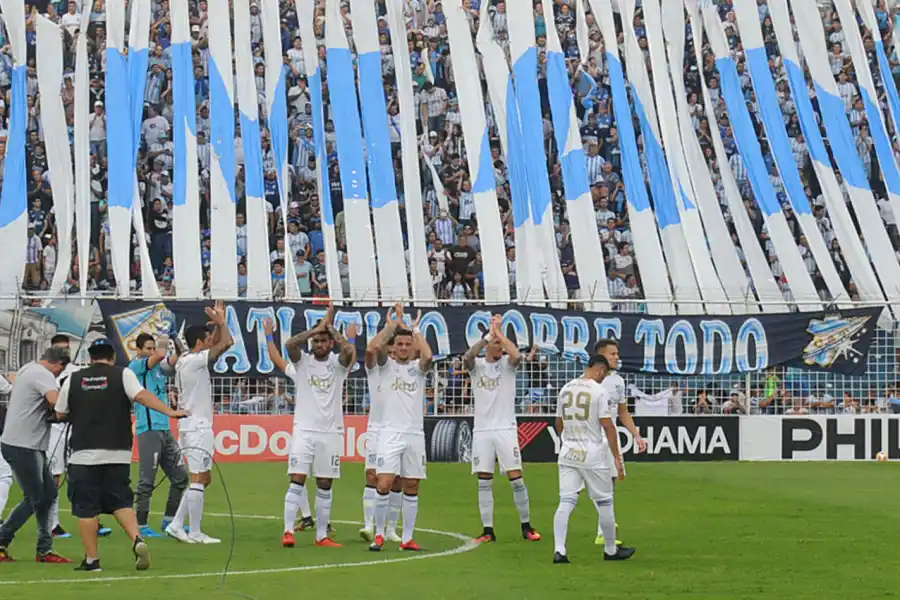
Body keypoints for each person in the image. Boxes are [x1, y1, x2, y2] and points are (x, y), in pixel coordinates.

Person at [55, 337, 188, 571]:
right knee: (121, 502)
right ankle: (137, 539)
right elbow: (141, 395)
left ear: (90, 356)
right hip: (118, 453)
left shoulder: (74, 379)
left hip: (84, 454)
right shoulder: (123, 374)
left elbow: (60, 412)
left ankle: (92, 560)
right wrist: (169, 410)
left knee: (86, 509)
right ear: (113, 356)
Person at [263, 306, 355, 548]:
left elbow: (348, 350)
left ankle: (322, 535)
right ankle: (287, 531)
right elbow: (291, 345)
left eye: (324, 341)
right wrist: (316, 329)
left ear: (331, 344)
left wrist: (331, 328)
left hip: (331, 432)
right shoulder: (302, 363)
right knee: (297, 479)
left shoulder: (338, 364)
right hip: (304, 430)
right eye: (316, 341)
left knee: (325, 483)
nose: (319, 344)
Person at [463, 315, 540, 543]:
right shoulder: (477, 367)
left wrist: (500, 334)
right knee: (484, 480)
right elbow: (467, 356)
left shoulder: (508, 365)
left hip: (505, 428)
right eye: (494, 344)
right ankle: (488, 530)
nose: (499, 348)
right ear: (487, 345)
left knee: (516, 479)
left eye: (501, 344)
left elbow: (516, 355)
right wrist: (488, 337)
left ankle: (526, 526)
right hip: (482, 431)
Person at [552, 354, 635, 564]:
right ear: (599, 371)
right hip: (592, 453)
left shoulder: (566, 388)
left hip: (568, 452)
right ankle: (610, 550)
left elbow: (558, 423)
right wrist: (617, 458)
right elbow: (608, 426)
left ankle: (559, 550)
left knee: (566, 501)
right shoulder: (599, 392)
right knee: (605, 501)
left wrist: (566, 439)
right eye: (604, 374)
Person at [165, 300, 234, 544]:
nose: (210, 340)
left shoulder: (187, 359)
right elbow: (226, 343)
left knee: (204, 478)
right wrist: (222, 323)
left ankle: (176, 524)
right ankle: (194, 531)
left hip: (193, 424)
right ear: (199, 342)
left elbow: (221, 342)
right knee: (198, 478)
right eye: (207, 338)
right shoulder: (194, 361)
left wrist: (217, 325)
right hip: (196, 426)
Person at [368, 304, 432, 552]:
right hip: (390, 434)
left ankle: (407, 538)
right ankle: (379, 534)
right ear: (393, 348)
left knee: (412, 487)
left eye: (408, 344)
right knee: (383, 483)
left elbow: (428, 357)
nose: (404, 348)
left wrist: (415, 329)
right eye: (399, 344)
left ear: (413, 346)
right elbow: (373, 348)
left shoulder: (419, 370)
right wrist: (392, 325)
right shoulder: (385, 366)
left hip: (415, 435)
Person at [0, 347, 72, 564]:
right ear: (58, 364)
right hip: (23, 445)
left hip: (24, 443)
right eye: (61, 371)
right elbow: (57, 401)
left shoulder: (28, 369)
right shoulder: (43, 374)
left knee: (48, 493)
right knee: (36, 496)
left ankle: (44, 549)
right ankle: (3, 539)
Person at [45, 334, 112, 540]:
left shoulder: (77, 372)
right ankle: (52, 524)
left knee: (85, 475)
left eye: (66, 348)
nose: (64, 352)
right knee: (54, 478)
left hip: (77, 431)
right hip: (54, 431)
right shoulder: (46, 374)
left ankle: (93, 518)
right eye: (59, 348)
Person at [128, 332, 188, 539]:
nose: (152, 352)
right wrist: (163, 337)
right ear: (138, 350)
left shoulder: (159, 370)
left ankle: (170, 521)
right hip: (149, 429)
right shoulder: (135, 367)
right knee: (147, 481)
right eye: (147, 348)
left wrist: (175, 339)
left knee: (181, 477)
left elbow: (178, 356)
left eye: (153, 348)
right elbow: (162, 354)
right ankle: (141, 525)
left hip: (165, 429)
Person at [591, 339, 646, 547]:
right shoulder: (589, 381)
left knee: (610, 483)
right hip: (592, 439)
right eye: (612, 354)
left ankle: (603, 530)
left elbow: (623, 411)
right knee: (578, 490)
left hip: (610, 439)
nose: (617, 357)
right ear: (601, 356)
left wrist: (636, 435)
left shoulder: (618, 381)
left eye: (617, 354)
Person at [359, 337, 403, 545]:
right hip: (376, 429)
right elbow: (371, 351)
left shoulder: (403, 375)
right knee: (372, 475)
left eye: (395, 354)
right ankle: (369, 525)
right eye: (390, 354)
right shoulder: (374, 371)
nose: (392, 358)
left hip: (398, 430)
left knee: (397, 480)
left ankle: (391, 529)